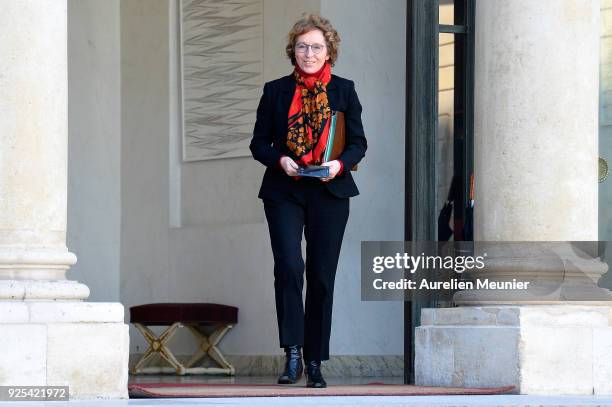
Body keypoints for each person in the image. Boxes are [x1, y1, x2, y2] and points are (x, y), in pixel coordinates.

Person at [249, 13, 367, 388]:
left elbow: (358, 143)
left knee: (320, 275)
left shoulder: (344, 90)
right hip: (285, 189)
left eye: (317, 47)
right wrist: (279, 159)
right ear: (293, 51)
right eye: (302, 46)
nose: (309, 53)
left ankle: (315, 359)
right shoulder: (275, 91)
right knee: (288, 267)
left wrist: (339, 164)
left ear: (329, 50)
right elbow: (258, 143)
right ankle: (293, 352)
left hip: (329, 190)